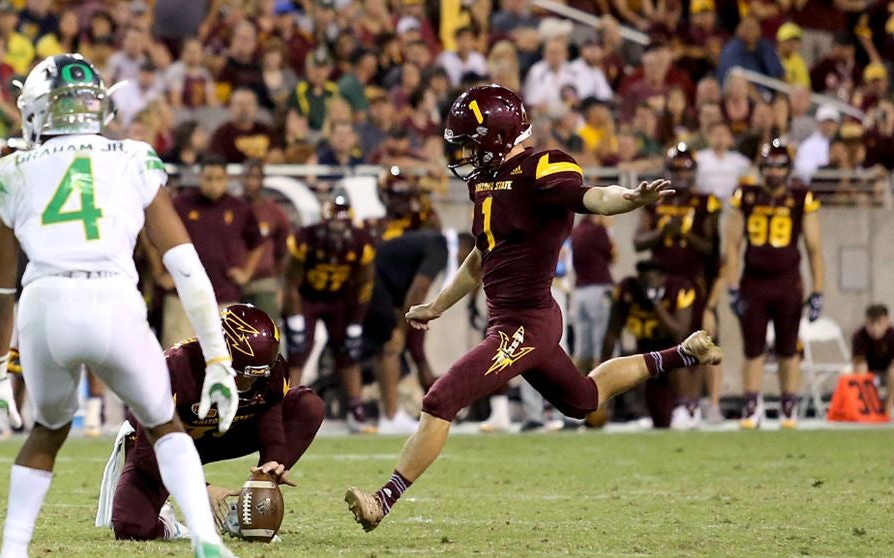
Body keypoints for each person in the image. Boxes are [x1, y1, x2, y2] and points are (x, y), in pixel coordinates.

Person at [344, 85, 722, 531]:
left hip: (527, 322)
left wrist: (631, 200)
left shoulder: (541, 167)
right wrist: (438, 305)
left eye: (469, 142)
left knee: (441, 398)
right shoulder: (485, 181)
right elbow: (482, 256)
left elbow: (593, 197)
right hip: (511, 321)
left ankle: (382, 501)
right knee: (584, 399)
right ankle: (683, 353)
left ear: (497, 137)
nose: (463, 153)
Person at [0, 54, 257, 558]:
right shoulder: (133, 157)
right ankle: (207, 543)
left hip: (45, 304)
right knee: (163, 424)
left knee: (48, 430)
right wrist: (218, 357)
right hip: (113, 301)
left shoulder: (12, 169)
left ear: (34, 112)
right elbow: (186, 267)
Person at [98, 304, 325, 541]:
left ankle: (245, 512)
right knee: (132, 527)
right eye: (241, 375)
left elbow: (271, 422)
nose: (249, 384)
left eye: (257, 376)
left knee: (308, 405)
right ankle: (169, 522)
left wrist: (272, 465)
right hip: (167, 444)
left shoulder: (271, 370)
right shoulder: (174, 368)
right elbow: (147, 451)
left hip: (224, 433)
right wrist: (199, 488)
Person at [724, 141, 825, 430]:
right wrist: (731, 285)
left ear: (788, 169)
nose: (774, 172)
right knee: (753, 348)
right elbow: (732, 245)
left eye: (780, 166)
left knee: (788, 348)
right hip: (753, 281)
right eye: (769, 166)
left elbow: (815, 248)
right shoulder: (746, 195)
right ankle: (752, 405)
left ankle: (788, 406)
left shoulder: (800, 197)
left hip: (787, 282)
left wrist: (818, 290)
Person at [633, 143, 721, 428]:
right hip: (659, 281)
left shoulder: (706, 202)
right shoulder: (655, 200)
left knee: (692, 342)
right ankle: (659, 409)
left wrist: (683, 232)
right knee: (654, 344)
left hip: (691, 282)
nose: (681, 174)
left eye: (685, 169)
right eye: (676, 169)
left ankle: (691, 405)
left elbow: (711, 248)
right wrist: (662, 232)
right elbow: (638, 242)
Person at [285, 193, 375, 433]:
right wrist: (294, 320)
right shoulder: (305, 239)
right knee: (298, 349)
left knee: (348, 352)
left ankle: (356, 408)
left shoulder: (361, 243)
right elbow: (291, 282)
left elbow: (364, 286)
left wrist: (356, 324)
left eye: (341, 227)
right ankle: (287, 408)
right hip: (307, 298)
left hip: (340, 301)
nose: (337, 234)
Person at [156, 156, 264, 347]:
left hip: (225, 296)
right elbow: (153, 236)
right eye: (208, 178)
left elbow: (257, 243)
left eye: (219, 179)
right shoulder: (180, 205)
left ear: (227, 180)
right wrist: (160, 273)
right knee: (177, 359)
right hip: (181, 296)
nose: (213, 184)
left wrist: (246, 273)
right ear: (199, 178)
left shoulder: (239, 209)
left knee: (228, 361)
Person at [364, 228, 452, 434]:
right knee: (391, 346)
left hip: (381, 283)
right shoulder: (440, 246)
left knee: (385, 350)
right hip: (376, 283)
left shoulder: (426, 241)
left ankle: (390, 413)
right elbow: (419, 288)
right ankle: (391, 415)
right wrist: (403, 329)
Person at [601, 260, 698, 429]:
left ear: (663, 279)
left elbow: (679, 333)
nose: (647, 283)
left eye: (652, 278)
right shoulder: (627, 290)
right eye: (643, 278)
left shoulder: (679, 289)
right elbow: (612, 333)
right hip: (645, 348)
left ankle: (686, 408)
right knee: (632, 365)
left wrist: (655, 302)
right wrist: (600, 374)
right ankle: (642, 412)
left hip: (673, 349)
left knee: (682, 356)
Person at [239, 160, 290, 320]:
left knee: (267, 334)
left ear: (262, 180)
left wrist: (277, 280)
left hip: (265, 281)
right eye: (247, 177)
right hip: (235, 281)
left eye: (255, 177)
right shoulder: (232, 208)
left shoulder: (274, 212)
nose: (250, 182)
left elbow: (282, 251)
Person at [569, 214, 615, 376]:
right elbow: (613, 255)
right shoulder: (599, 230)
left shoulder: (576, 231)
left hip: (580, 292)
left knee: (581, 349)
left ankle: (577, 394)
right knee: (601, 347)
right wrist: (608, 230)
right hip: (599, 289)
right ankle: (602, 397)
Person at [852, 304, 894, 414]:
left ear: (887, 322)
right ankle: (866, 408)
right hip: (868, 370)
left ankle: (888, 409)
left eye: (879, 323)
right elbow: (860, 363)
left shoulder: (892, 336)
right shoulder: (859, 336)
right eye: (871, 324)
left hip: (887, 371)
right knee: (857, 373)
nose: (875, 328)